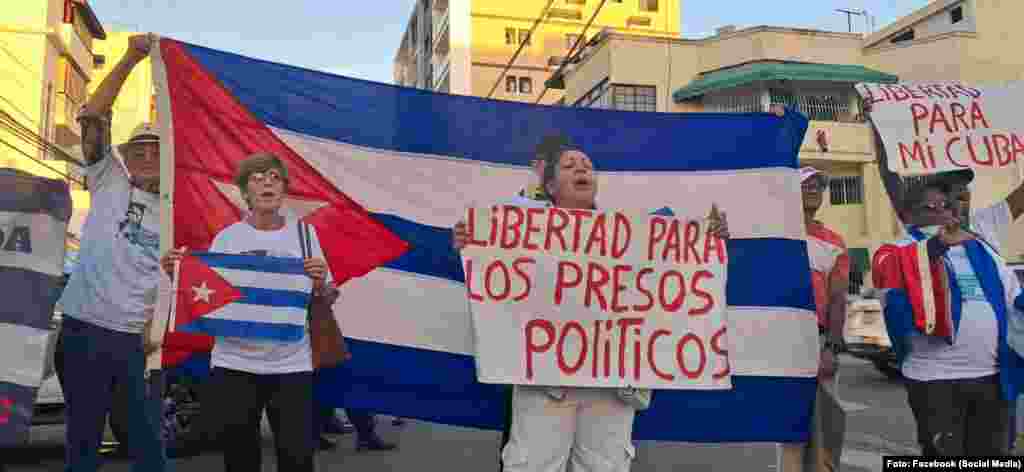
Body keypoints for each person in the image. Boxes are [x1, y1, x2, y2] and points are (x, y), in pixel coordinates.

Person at [453, 134, 729, 472]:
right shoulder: (521, 230)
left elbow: (673, 266)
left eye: (587, 166)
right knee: (532, 466)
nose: (581, 169)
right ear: (551, 186)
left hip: (611, 385)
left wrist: (707, 239)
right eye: (570, 166)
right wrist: (473, 241)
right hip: (545, 381)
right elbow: (498, 279)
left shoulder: (632, 235)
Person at [161, 152, 331, 471]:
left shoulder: (306, 236)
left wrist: (321, 282)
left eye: (274, 177)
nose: (267, 181)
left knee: (297, 457)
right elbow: (205, 300)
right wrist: (178, 274)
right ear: (245, 192)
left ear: (283, 189)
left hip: (292, 363)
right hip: (234, 364)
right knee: (240, 457)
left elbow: (327, 296)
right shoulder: (227, 239)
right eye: (257, 177)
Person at [54, 33, 169, 472]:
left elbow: (179, 276)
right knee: (81, 444)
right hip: (83, 329)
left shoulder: (178, 211)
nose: (143, 157)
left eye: (153, 151)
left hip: (135, 341)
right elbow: (94, 116)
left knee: (147, 447)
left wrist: (156, 327)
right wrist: (131, 56)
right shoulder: (108, 178)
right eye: (136, 150)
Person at [871, 178, 1024, 456]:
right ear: (909, 215)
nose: (942, 211)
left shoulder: (981, 245)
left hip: (992, 377)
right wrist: (937, 244)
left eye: (946, 205)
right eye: (931, 206)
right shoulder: (896, 250)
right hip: (936, 381)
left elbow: (1013, 299)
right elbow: (889, 271)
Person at [777, 166, 848, 472]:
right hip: (780, 337)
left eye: (818, 185)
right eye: (805, 183)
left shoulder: (834, 242)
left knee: (825, 423)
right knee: (786, 422)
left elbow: (837, 299)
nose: (813, 188)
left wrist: (831, 346)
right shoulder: (775, 233)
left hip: (817, 339)